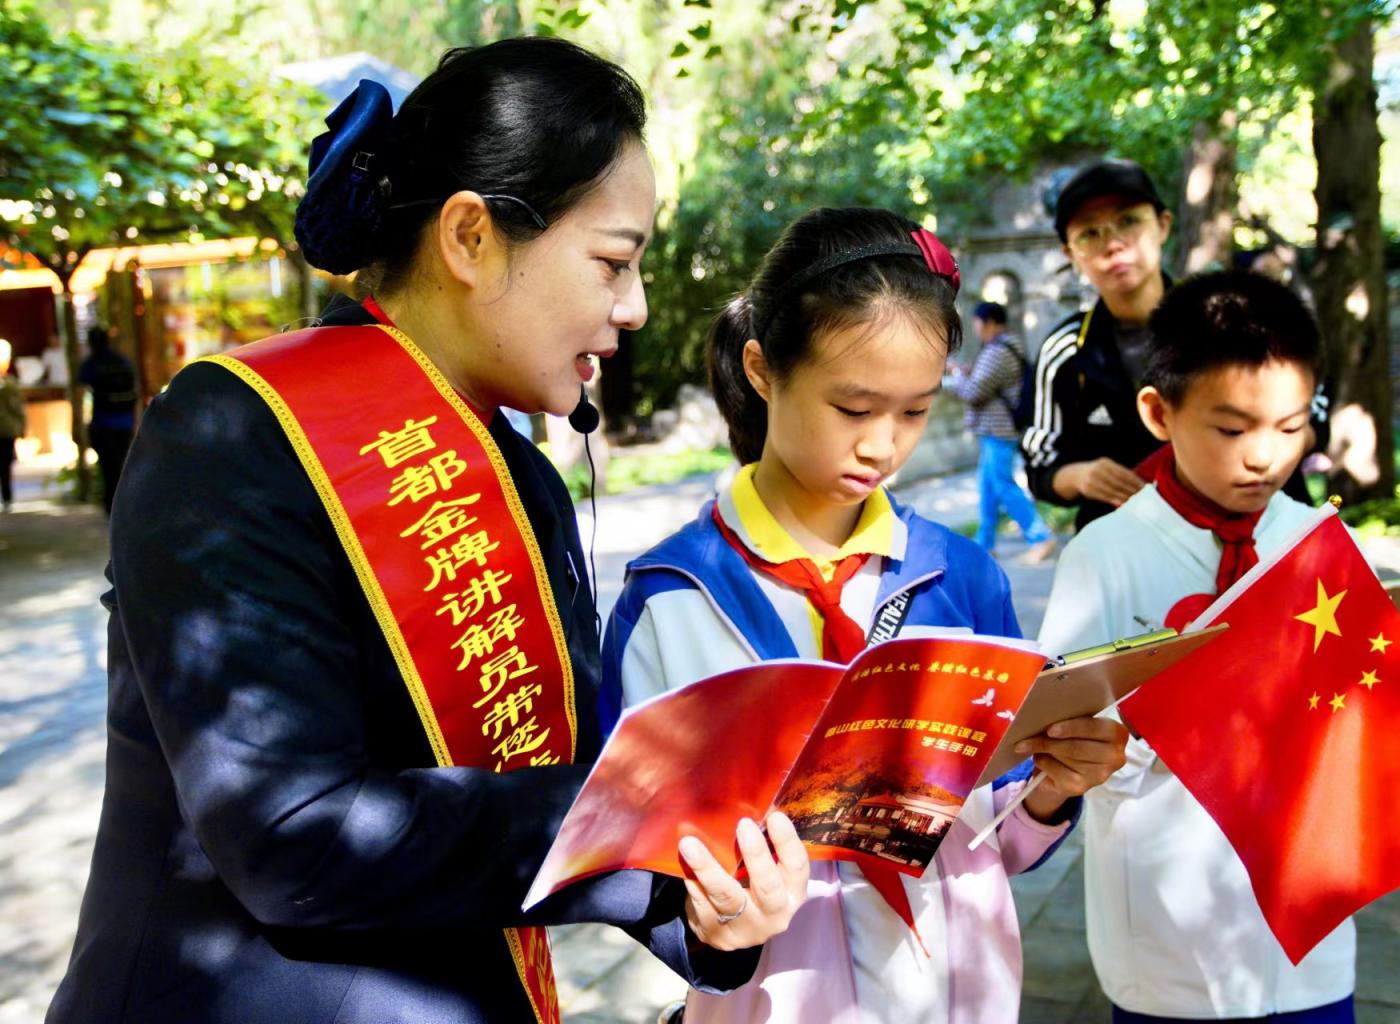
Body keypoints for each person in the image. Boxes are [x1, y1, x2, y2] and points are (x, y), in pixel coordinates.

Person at [46, 38, 808, 1024]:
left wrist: (709, 901)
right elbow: (294, 835)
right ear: (470, 237)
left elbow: (555, 776)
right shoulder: (238, 432)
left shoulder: (526, 485)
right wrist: (655, 812)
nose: (636, 307)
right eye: (613, 262)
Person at [601, 207, 1130, 1023]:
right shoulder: (671, 600)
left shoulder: (961, 580)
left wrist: (1054, 789)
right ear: (762, 369)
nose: (884, 446)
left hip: (962, 997)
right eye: (854, 409)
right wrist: (709, 921)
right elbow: (631, 864)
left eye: (914, 412)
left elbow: (1002, 831)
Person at [1037, 271, 1356, 1022]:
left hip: (1308, 922)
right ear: (1159, 412)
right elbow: (1058, 743)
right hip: (1166, 929)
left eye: (1290, 428)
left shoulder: (1318, 540)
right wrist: (1182, 719)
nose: (1264, 458)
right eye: (1232, 429)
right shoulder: (1104, 556)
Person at [1022, 159, 1173, 529]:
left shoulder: (1225, 322)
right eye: (1090, 233)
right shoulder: (1065, 351)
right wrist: (1081, 476)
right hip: (1120, 546)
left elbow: (1302, 422)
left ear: (1163, 225)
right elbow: (1041, 466)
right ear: (1070, 254)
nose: (1114, 245)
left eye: (1128, 221)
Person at [948, 301, 1054, 559]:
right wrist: (969, 372)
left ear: (990, 323)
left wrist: (956, 373)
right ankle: (984, 545)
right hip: (996, 429)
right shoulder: (1009, 346)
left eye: (977, 323)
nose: (976, 329)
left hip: (999, 430)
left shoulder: (997, 351)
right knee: (988, 486)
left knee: (1003, 484)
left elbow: (973, 392)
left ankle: (1040, 537)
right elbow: (990, 381)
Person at [77, 325, 138, 513]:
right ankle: (124, 504)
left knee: (108, 467)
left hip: (103, 423)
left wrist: (79, 423)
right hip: (125, 422)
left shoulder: (92, 364)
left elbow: (81, 394)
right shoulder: (123, 361)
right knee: (123, 463)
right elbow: (134, 392)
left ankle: (112, 506)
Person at [0, 338, 24, 511]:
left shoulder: (10, 385)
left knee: (5, 464)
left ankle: (7, 497)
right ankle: (7, 497)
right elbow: (18, 410)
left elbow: (18, 409)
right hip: (7, 430)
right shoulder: (11, 385)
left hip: (7, 430)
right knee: (5, 465)